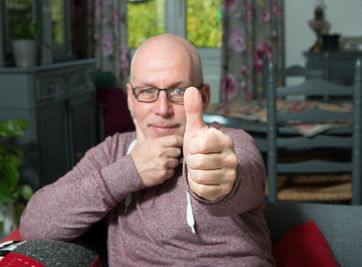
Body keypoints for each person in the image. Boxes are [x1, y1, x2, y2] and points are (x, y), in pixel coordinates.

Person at [20, 34, 275, 266]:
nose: (162, 109)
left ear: (204, 97)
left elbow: (240, 176)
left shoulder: (231, 143)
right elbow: (34, 226)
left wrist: (213, 180)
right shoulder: (112, 152)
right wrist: (130, 171)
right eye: (148, 91)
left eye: (178, 91)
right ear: (130, 98)